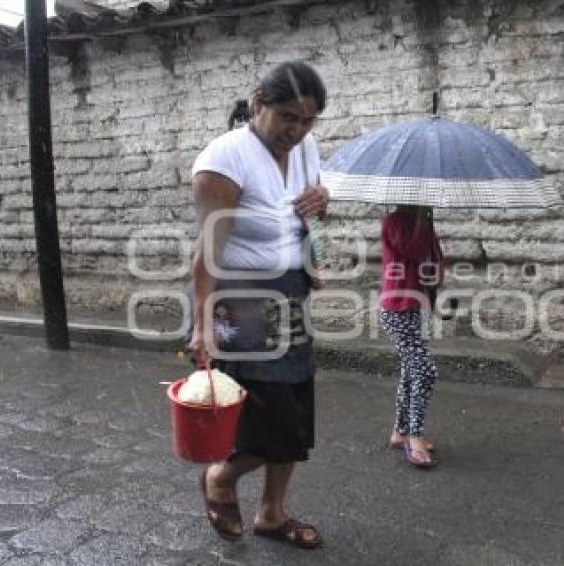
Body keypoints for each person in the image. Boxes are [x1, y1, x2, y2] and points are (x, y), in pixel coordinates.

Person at [188, 61, 329, 548]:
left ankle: (272, 513)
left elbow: (308, 213)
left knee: (298, 403)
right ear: (258, 103)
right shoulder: (223, 162)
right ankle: (221, 478)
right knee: (272, 415)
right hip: (243, 300)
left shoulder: (307, 148)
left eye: (308, 120)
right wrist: (201, 325)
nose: (297, 130)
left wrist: (321, 202)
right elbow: (207, 251)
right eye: (288, 117)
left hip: (291, 290)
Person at [379, 205, 444, 469]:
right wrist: (422, 222)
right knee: (424, 370)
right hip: (398, 307)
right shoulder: (394, 222)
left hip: (414, 305)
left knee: (410, 370)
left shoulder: (422, 222)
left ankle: (400, 432)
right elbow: (411, 251)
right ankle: (414, 436)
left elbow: (431, 262)